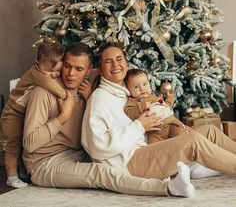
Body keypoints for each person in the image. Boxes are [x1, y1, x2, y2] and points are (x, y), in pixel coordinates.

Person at [23, 41, 196, 198]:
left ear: (90, 70)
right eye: (67, 66)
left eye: (79, 69)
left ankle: (189, 167)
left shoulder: (89, 93)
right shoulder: (43, 93)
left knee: (116, 161)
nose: (70, 74)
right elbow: (29, 144)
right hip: (44, 163)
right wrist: (63, 117)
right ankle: (169, 188)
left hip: (79, 154)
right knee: (102, 173)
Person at [81, 41, 236, 194]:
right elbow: (96, 147)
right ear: (100, 70)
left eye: (119, 59)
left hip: (151, 147)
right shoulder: (100, 98)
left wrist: (178, 127)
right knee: (193, 142)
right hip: (131, 163)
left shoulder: (125, 93)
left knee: (209, 131)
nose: (115, 65)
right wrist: (139, 126)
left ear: (126, 64)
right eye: (108, 61)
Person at [1, 42, 66, 188]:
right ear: (37, 63)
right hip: (12, 113)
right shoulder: (37, 74)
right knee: (13, 145)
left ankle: (22, 172)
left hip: (22, 112)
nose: (53, 75)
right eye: (49, 71)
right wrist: (67, 97)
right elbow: (58, 90)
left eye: (57, 71)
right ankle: (11, 176)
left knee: (25, 142)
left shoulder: (43, 72)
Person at [124, 68, 189, 143]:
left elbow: (165, 107)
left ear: (149, 84)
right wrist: (141, 106)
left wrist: (170, 98)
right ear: (128, 90)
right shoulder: (132, 101)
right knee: (155, 147)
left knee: (181, 138)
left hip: (172, 123)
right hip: (155, 133)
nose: (142, 89)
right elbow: (129, 111)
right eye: (136, 87)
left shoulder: (154, 97)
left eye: (145, 84)